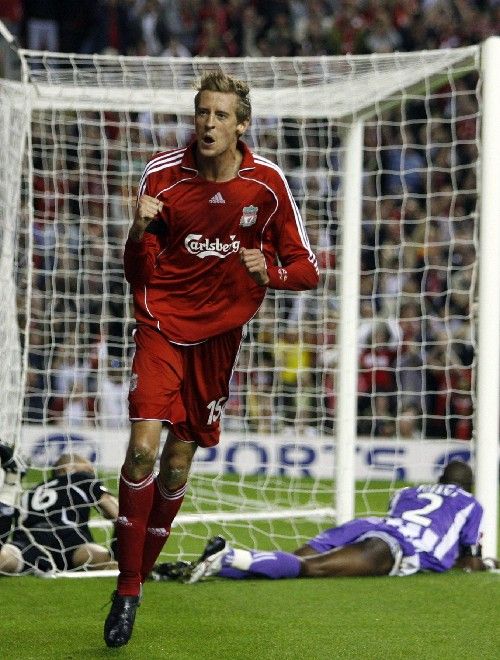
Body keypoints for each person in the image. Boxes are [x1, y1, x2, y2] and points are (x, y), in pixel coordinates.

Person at [104, 70, 319, 648]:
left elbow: (308, 269)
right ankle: (127, 588)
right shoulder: (162, 178)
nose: (208, 123)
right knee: (144, 447)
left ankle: (139, 569)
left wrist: (268, 272)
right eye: (202, 112)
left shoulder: (267, 186)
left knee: (177, 463)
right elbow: (137, 273)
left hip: (219, 342)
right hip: (160, 326)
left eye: (221, 115)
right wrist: (136, 230)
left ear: (241, 125)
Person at [157, 460, 497, 583]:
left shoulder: (409, 490)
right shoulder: (471, 503)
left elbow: (398, 512)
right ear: (468, 487)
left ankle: (205, 565)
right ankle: (230, 556)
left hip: (369, 525)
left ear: (439, 478)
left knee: (297, 558)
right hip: (395, 547)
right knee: (314, 569)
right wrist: (486, 562)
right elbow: (469, 561)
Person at [0, 449, 118, 575]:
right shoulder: (81, 478)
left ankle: (9, 480)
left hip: (31, 539)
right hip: (70, 538)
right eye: (88, 470)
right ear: (67, 468)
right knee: (112, 564)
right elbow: (117, 511)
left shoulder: (29, 492)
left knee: (5, 559)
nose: (92, 474)